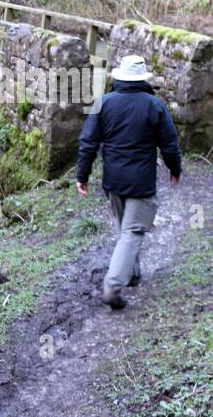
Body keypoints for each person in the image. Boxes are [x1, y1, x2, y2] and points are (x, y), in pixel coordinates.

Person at [76, 54, 182, 309]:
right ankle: (112, 287)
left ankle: (132, 273)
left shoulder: (103, 103)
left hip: (113, 181)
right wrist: (174, 168)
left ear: (119, 77)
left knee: (125, 228)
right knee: (132, 232)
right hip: (141, 182)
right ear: (142, 78)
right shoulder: (154, 105)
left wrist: (83, 175)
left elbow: (88, 142)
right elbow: (169, 144)